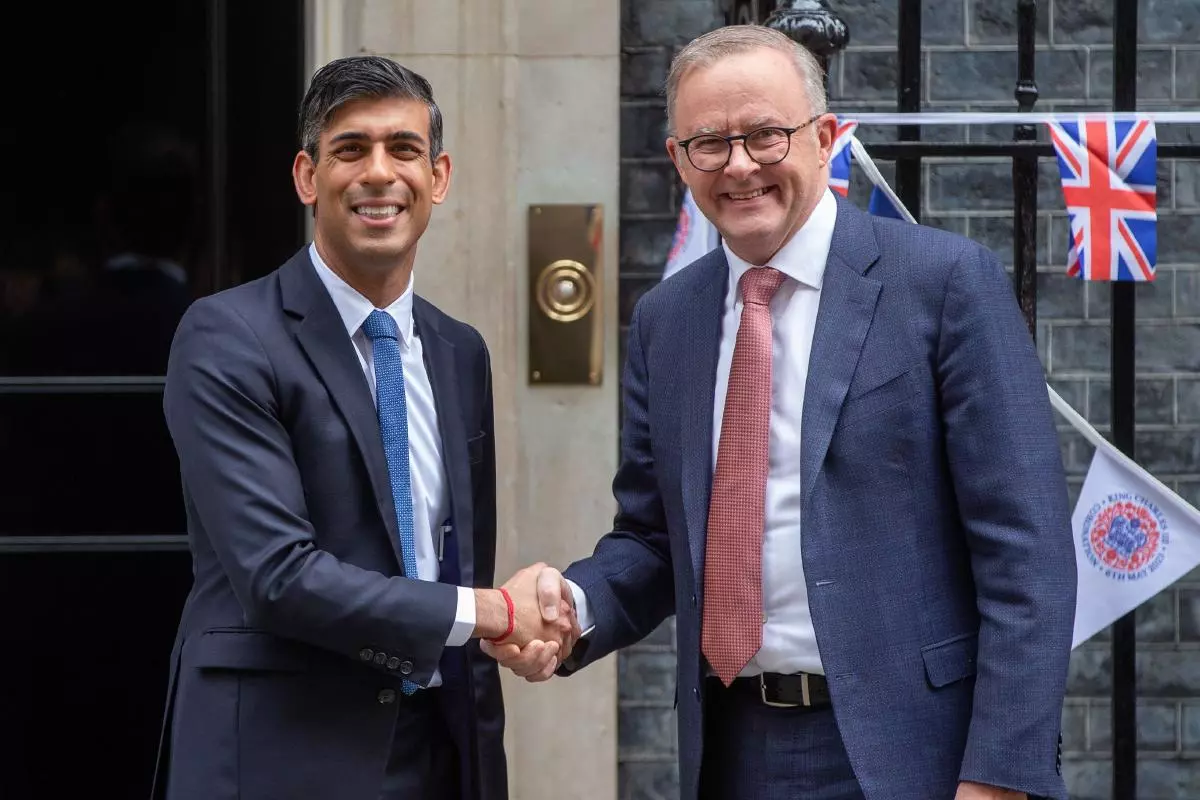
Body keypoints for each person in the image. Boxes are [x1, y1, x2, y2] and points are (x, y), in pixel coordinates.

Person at [486, 24, 1076, 800]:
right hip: (731, 751)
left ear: (825, 138)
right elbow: (657, 539)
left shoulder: (941, 284)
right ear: (677, 160)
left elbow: (1026, 552)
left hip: (916, 755)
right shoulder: (668, 319)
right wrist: (574, 608)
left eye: (766, 135)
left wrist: (999, 774)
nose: (739, 166)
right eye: (709, 143)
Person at [152, 55, 573, 800]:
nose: (380, 173)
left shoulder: (457, 351)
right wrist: (490, 612)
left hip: (436, 755)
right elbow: (279, 577)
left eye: (403, 149)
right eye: (351, 149)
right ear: (308, 177)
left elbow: (455, 563)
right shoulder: (225, 337)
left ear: (437, 178)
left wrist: (509, 643)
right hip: (279, 756)